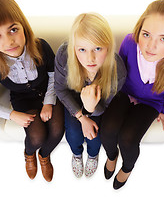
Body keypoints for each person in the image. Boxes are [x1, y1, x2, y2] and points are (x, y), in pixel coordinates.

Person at [101, 0, 164, 189]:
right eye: (146, 34)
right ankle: (111, 156)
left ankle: (127, 167)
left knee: (128, 139)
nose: (150, 46)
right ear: (140, 29)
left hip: (151, 102)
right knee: (107, 130)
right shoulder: (130, 42)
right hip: (125, 92)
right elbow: (119, 71)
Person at [0, 0, 64, 182]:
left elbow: (53, 76)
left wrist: (48, 102)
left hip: (49, 93)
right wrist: (11, 114)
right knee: (36, 137)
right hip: (22, 99)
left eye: (13, 30)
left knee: (58, 131)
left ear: (23, 25)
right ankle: (29, 154)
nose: (8, 42)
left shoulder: (41, 46)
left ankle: (44, 156)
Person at [54, 13, 126, 178]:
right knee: (73, 133)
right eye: (82, 49)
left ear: (108, 47)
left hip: (97, 105)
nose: (90, 58)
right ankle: (76, 154)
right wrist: (81, 116)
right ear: (74, 48)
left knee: (95, 136)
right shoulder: (64, 55)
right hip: (73, 99)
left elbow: (105, 105)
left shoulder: (118, 71)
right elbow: (60, 89)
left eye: (98, 48)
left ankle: (93, 155)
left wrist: (90, 109)